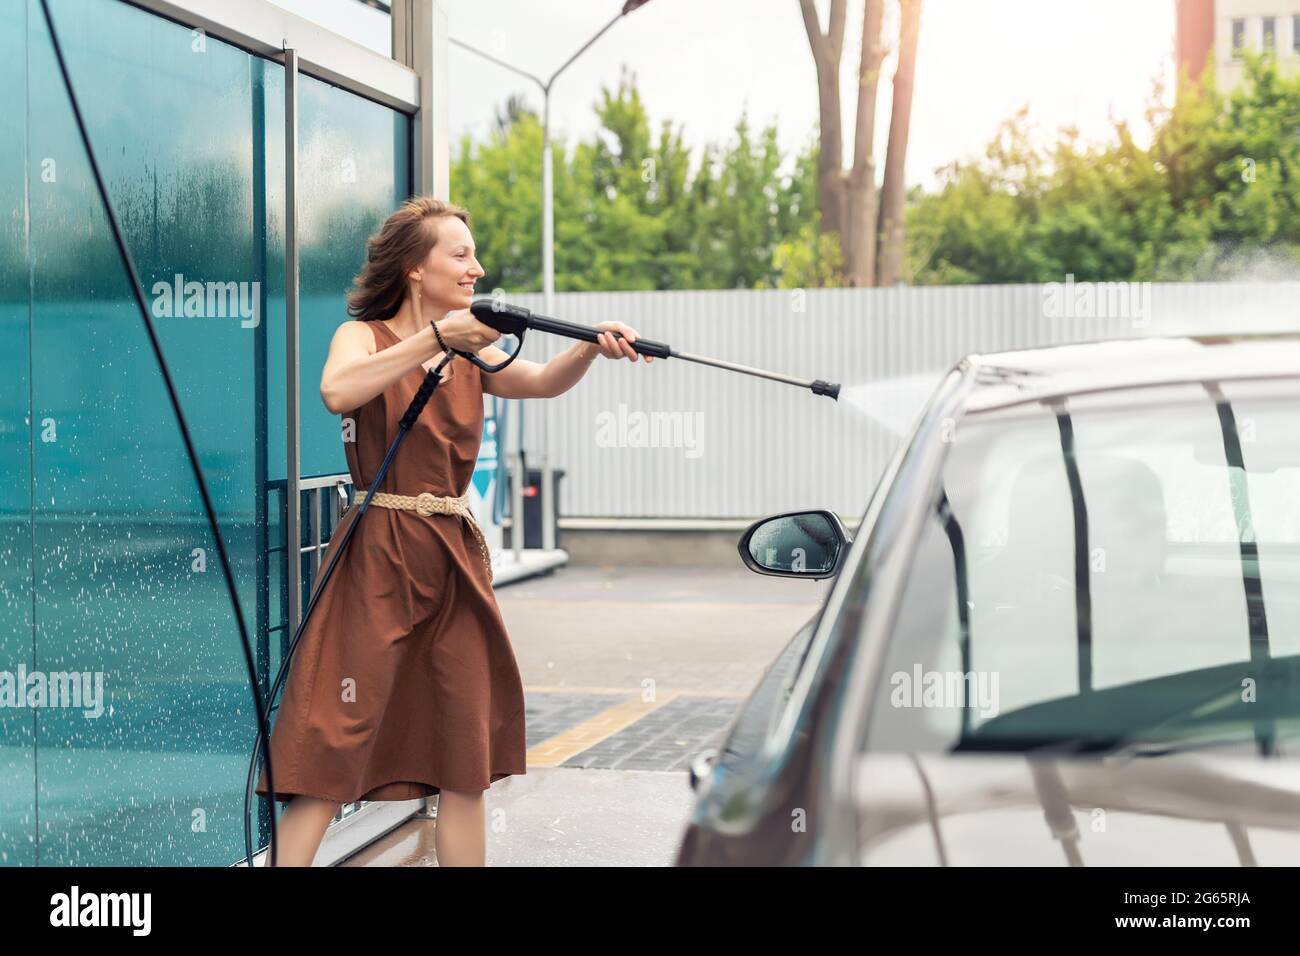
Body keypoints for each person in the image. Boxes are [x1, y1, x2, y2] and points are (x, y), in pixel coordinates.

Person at [254, 196, 650, 866]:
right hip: (379, 548)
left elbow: (541, 381)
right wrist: (438, 339)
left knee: (464, 750)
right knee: (332, 738)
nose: (477, 268)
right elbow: (337, 391)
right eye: (460, 254)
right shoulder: (366, 335)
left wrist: (590, 348)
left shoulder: (474, 348)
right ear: (415, 267)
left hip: (452, 553)